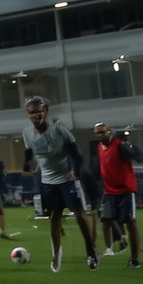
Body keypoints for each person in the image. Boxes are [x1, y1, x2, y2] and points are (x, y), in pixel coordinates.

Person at [19, 96, 101, 272]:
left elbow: (77, 154)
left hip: (67, 180)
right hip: (48, 182)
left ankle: (91, 252)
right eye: (31, 113)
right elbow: (28, 152)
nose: (35, 115)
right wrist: (26, 164)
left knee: (80, 215)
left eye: (39, 111)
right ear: (28, 115)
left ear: (46, 111)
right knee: (54, 217)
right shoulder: (26, 133)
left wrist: (75, 171)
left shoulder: (59, 130)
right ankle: (56, 254)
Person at [93, 124, 143, 268]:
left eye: (102, 132)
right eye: (97, 133)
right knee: (105, 220)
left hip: (125, 190)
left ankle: (134, 259)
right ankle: (109, 248)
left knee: (130, 223)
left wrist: (131, 147)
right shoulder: (100, 147)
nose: (100, 135)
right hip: (109, 191)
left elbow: (140, 158)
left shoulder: (120, 146)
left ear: (109, 132)